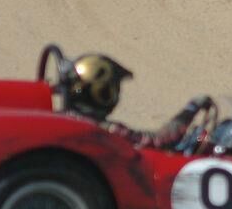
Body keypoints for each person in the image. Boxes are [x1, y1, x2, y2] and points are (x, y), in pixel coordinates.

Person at [65, 53, 213, 148]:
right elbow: (158, 141)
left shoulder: (65, 122)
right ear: (101, 91)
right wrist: (191, 109)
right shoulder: (105, 130)